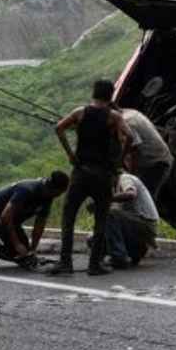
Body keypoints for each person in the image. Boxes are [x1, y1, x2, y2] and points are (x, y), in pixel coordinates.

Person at [51, 79, 133, 276]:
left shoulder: (80, 112)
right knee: (100, 220)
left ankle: (65, 262)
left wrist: (70, 154)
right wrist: (119, 160)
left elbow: (59, 128)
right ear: (110, 96)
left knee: (68, 217)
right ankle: (94, 265)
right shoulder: (113, 117)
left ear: (93, 93)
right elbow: (129, 137)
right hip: (103, 175)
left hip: (81, 173)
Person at [0, 171, 69, 271]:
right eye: (59, 193)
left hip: (10, 222)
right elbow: (6, 217)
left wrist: (32, 249)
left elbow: (39, 225)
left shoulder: (48, 197)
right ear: (53, 188)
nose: (59, 195)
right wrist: (17, 244)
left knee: (21, 254)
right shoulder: (26, 189)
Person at [97, 171, 160, 269]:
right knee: (93, 239)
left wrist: (106, 199)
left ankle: (119, 258)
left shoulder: (125, 178)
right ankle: (135, 252)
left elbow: (131, 194)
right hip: (137, 226)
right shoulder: (116, 186)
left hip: (145, 222)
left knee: (110, 214)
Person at [120, 104, 174, 197]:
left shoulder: (126, 122)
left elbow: (134, 150)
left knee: (140, 198)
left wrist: (131, 178)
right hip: (155, 160)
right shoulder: (131, 112)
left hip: (156, 163)